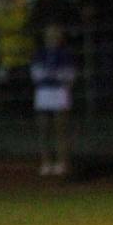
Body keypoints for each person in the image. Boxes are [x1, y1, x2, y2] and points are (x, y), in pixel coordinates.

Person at [30, 23, 76, 176]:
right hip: (44, 92)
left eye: (55, 35)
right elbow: (36, 74)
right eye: (50, 35)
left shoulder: (65, 54)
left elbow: (69, 75)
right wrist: (53, 75)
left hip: (59, 92)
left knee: (60, 128)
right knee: (44, 129)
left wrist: (52, 76)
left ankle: (62, 162)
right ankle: (46, 162)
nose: (52, 38)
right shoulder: (40, 53)